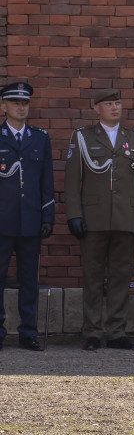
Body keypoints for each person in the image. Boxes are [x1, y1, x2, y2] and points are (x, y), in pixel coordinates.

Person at [65, 89, 134, 351]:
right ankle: (92, 331)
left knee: (120, 276)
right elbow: (71, 182)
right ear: (96, 109)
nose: (115, 108)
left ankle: (116, 332)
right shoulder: (82, 137)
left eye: (118, 103)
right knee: (92, 276)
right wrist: (74, 214)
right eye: (109, 104)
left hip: (126, 217)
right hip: (93, 217)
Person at [0, 81, 54, 351]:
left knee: (29, 280)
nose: (21, 108)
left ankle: (28, 332)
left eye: (25, 103)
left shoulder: (40, 138)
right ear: (3, 106)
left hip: (31, 221)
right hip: (2, 222)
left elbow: (47, 182)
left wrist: (48, 216)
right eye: (15, 103)